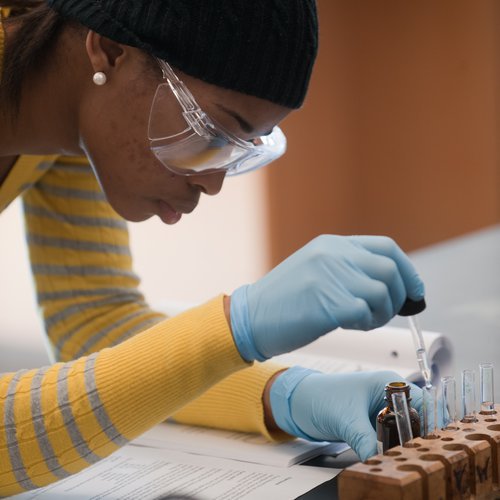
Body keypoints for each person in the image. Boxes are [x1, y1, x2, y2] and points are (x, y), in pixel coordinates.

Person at [0, 0, 426, 496]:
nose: (213, 183)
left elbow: (94, 322)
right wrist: (235, 328)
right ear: (110, 52)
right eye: (208, 130)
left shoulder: (76, 108)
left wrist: (284, 393)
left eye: (242, 147)